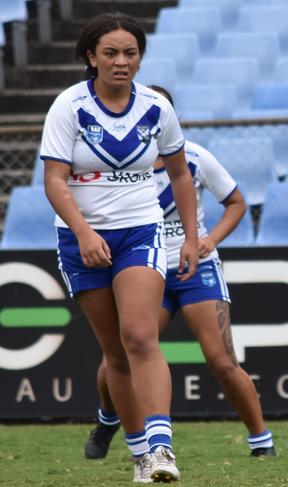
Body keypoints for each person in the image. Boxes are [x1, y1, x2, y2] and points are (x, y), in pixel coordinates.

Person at [41, 13, 198, 483]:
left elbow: (179, 173)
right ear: (92, 57)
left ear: (140, 57)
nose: (121, 61)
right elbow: (54, 180)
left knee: (139, 337)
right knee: (114, 351)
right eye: (110, 53)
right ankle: (140, 458)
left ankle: (162, 448)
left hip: (140, 232)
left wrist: (191, 237)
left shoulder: (156, 107)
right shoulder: (69, 106)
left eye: (130, 53)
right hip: (80, 239)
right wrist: (85, 234)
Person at [84, 85, 277, 463]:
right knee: (118, 357)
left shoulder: (196, 159)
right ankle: (109, 417)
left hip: (195, 269)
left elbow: (236, 203)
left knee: (222, 359)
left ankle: (261, 441)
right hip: (142, 268)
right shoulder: (116, 164)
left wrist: (208, 240)